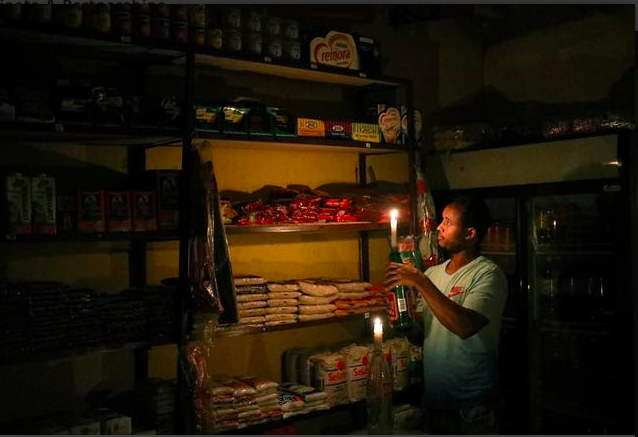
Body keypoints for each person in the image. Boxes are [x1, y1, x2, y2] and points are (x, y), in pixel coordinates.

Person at [385, 196, 508, 434]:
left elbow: (465, 326)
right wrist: (403, 319)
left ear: (470, 234)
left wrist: (421, 282)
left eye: (448, 222)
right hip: (434, 403)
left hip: (471, 406)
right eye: (442, 220)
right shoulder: (433, 273)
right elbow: (421, 335)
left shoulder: (488, 275)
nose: (439, 227)